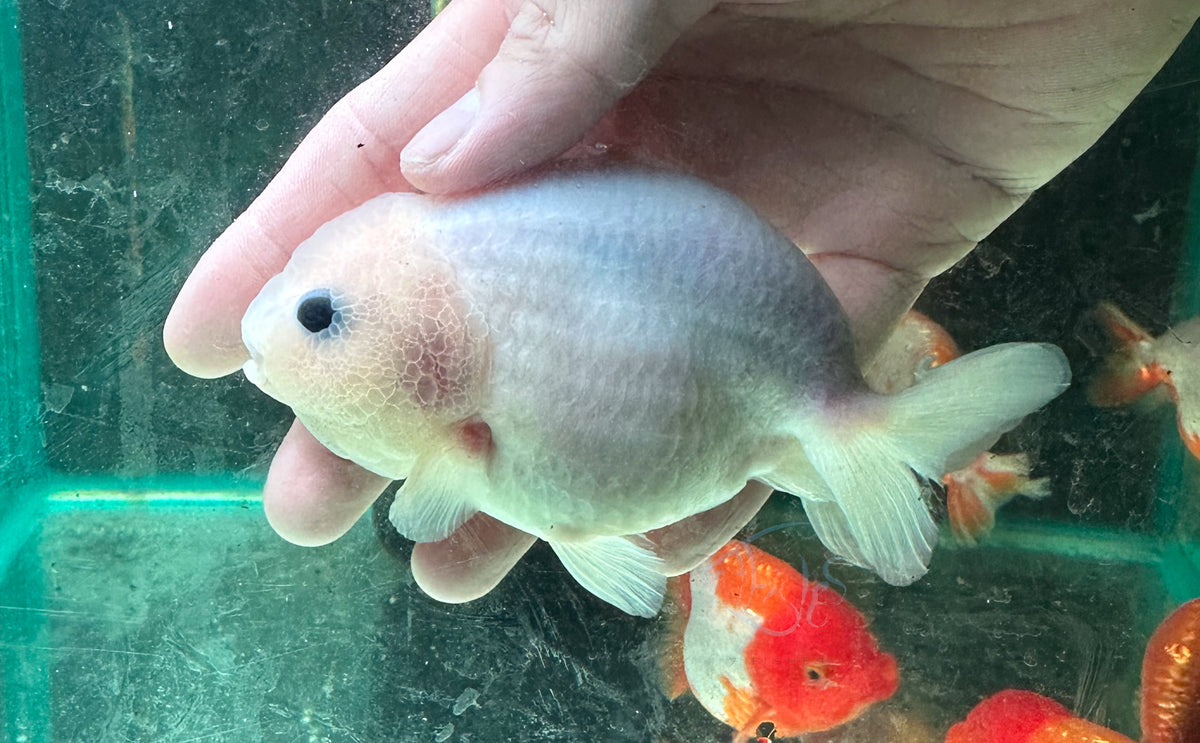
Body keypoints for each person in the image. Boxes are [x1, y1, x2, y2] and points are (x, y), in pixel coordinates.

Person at [162, 0, 1200, 605]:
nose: (293, 331)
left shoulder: (460, 388)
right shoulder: (454, 352)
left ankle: (854, 436)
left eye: (322, 316)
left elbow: (446, 494)